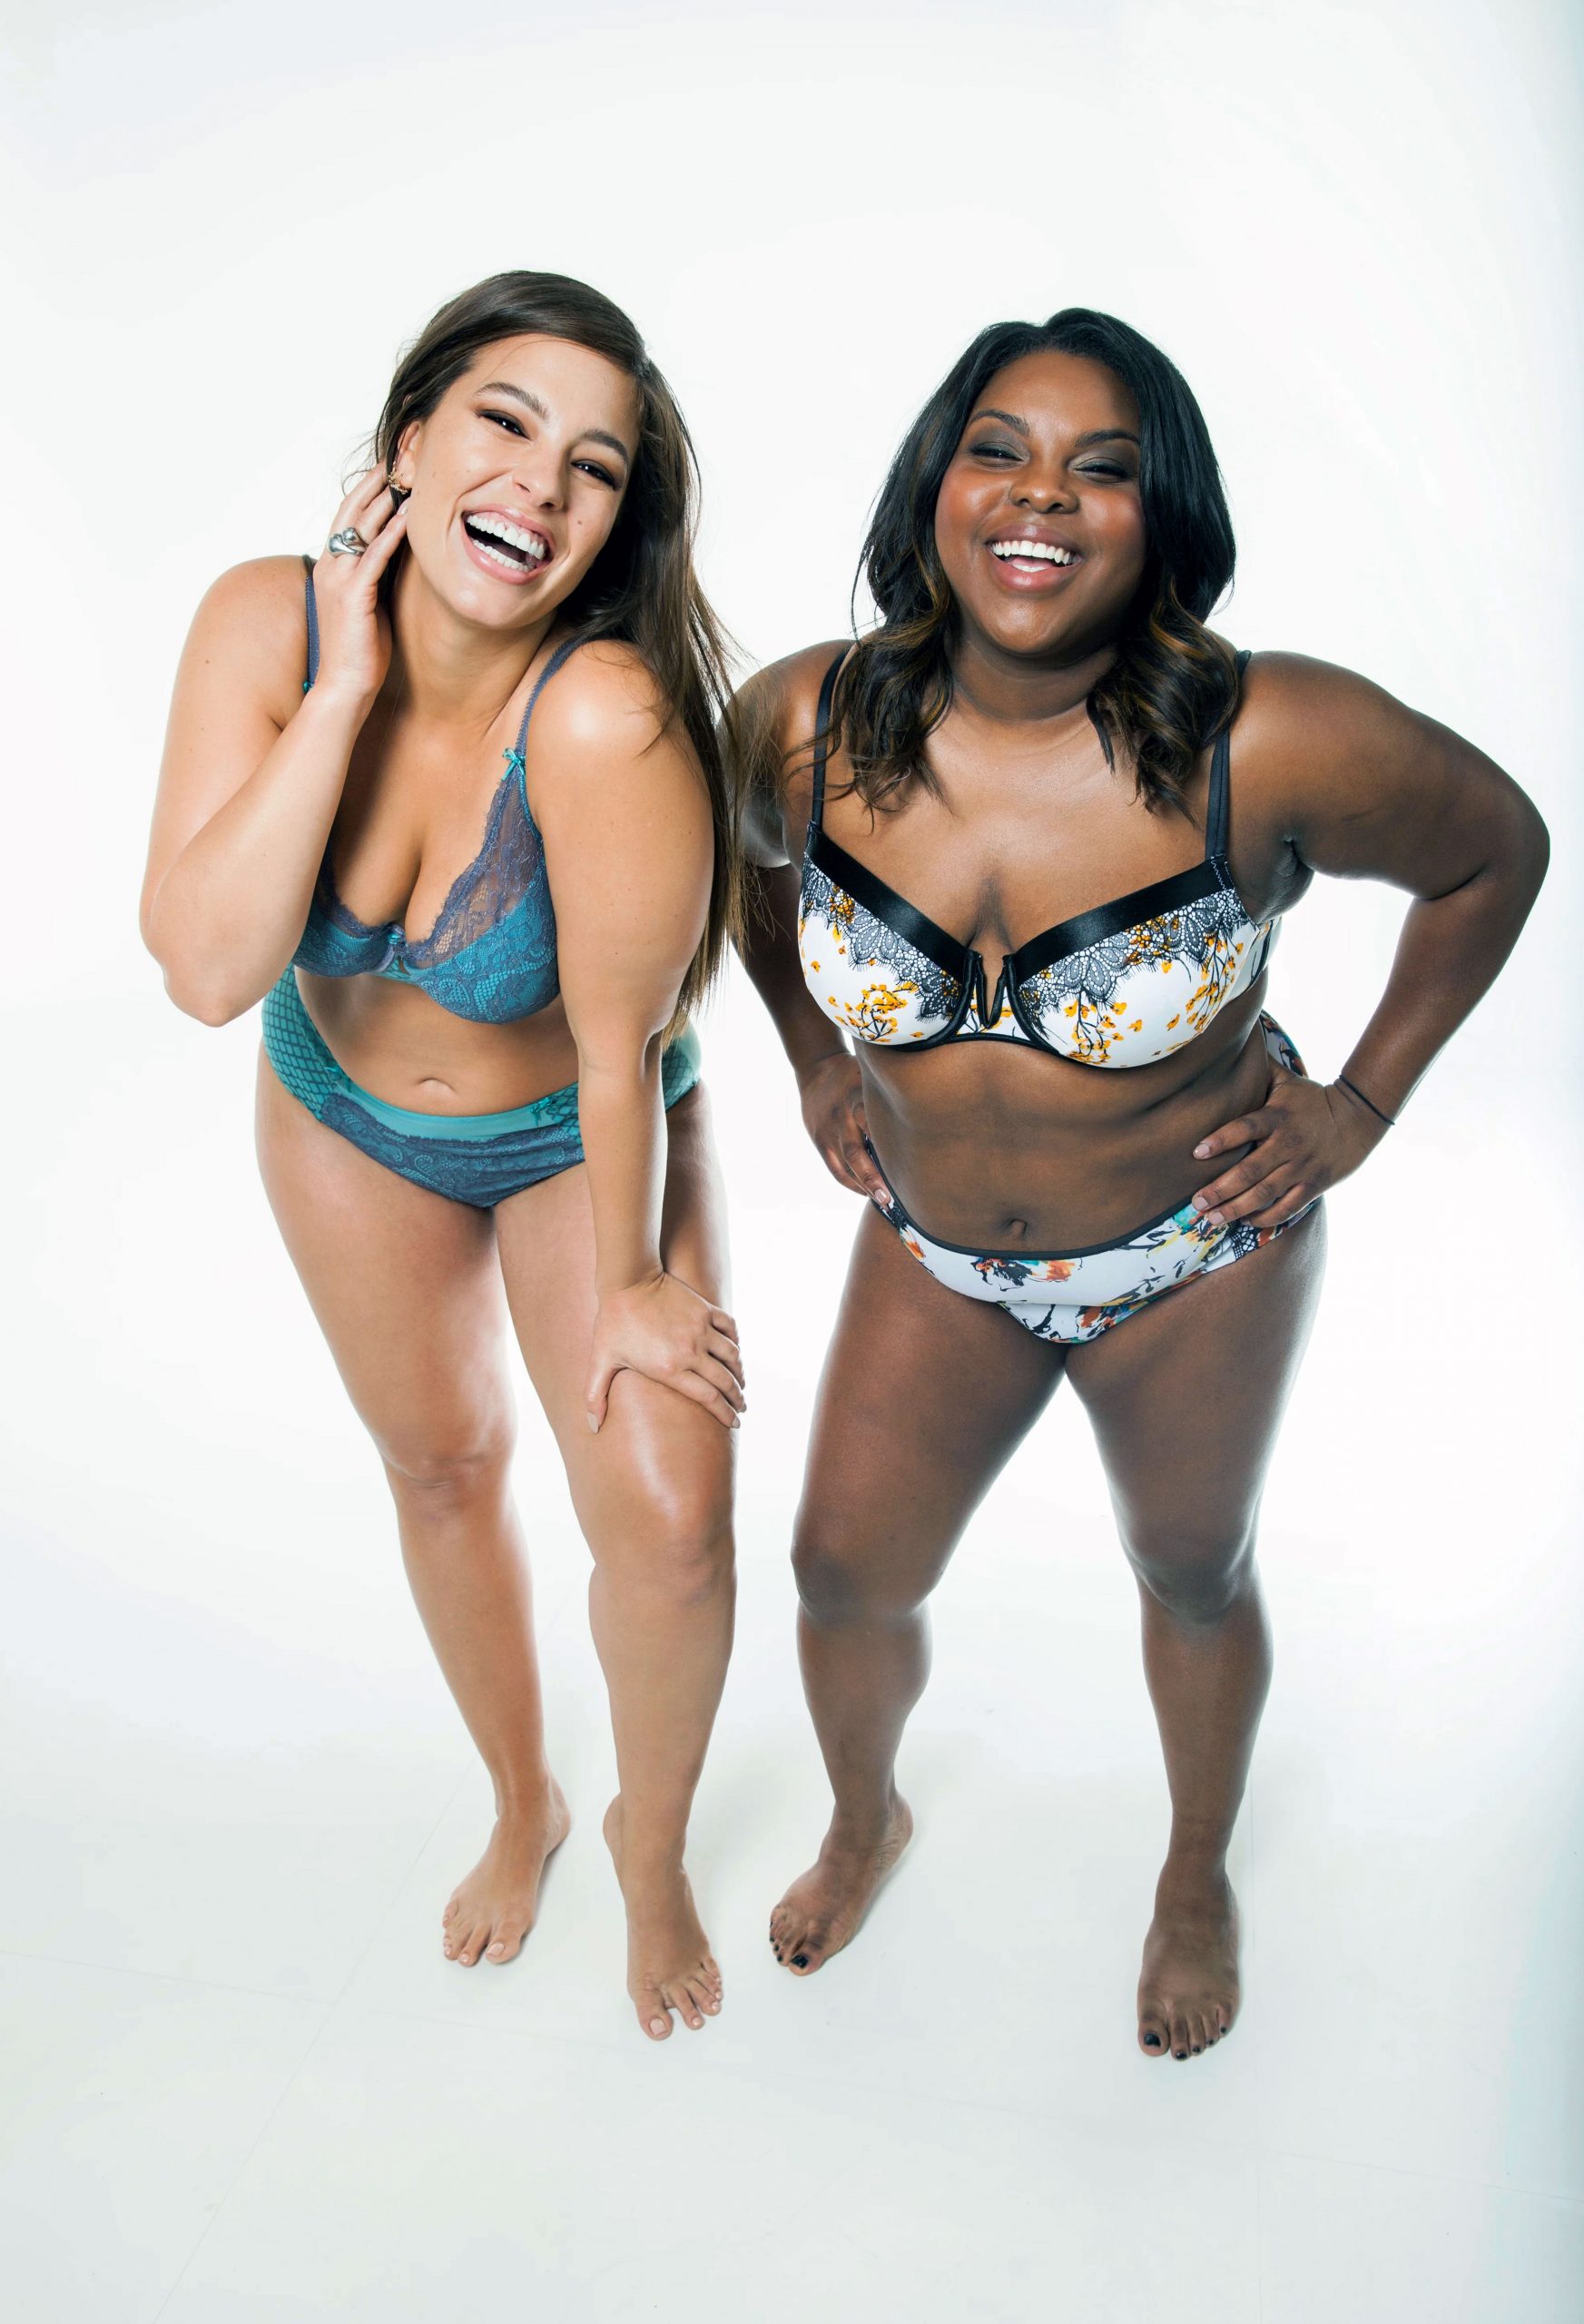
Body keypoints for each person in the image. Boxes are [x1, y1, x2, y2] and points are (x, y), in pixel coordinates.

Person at [735, 309, 1548, 2062]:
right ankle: (864, 1817)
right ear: (936, 486)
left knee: (1188, 1570)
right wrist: (811, 1055)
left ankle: (1192, 1874)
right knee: (839, 1571)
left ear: (1158, 515)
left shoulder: (1275, 736)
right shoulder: (804, 718)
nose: (1041, 497)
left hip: (1196, 1254)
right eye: (999, 452)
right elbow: (751, 870)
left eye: (1099, 470)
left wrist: (1357, 1106)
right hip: (936, 1253)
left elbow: (1496, 849)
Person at [143, 271, 745, 2043]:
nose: (541, 485)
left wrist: (631, 1282)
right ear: (408, 437)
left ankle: (649, 1847)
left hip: (578, 1133)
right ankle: (522, 1799)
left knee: (668, 1520)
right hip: (344, 1116)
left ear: (614, 523)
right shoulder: (262, 625)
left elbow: (623, 1042)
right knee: (438, 1465)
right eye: (504, 421)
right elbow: (206, 970)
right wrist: (340, 690)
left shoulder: (602, 714)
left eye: (595, 467)